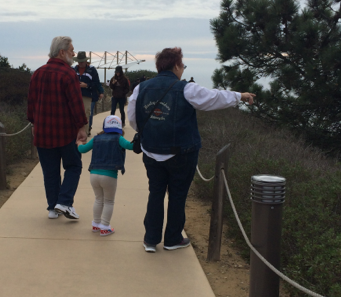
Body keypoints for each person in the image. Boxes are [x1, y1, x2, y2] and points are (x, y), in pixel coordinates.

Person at [128, 47, 256, 252]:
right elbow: (215, 97)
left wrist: (151, 134)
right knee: (178, 195)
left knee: (156, 193)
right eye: (182, 65)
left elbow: (134, 120)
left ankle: (150, 240)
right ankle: (172, 239)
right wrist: (240, 96)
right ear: (177, 65)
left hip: (151, 151)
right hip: (182, 154)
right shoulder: (187, 89)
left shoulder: (140, 89)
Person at [27, 36, 88, 220]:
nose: (74, 53)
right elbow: (76, 104)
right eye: (71, 50)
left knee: (50, 172)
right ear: (62, 52)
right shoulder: (69, 74)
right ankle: (65, 202)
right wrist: (81, 127)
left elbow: (31, 103)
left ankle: (53, 208)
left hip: (43, 132)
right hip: (65, 132)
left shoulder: (37, 73)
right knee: (74, 165)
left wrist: (33, 123)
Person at [78, 115, 133, 236]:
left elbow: (82, 149)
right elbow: (131, 146)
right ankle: (105, 226)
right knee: (109, 201)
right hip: (109, 175)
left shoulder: (96, 138)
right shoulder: (118, 138)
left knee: (98, 199)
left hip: (94, 175)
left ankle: (96, 224)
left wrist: (78, 143)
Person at [73, 51, 104, 136]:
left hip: (87, 95)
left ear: (86, 61)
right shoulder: (73, 70)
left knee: (86, 114)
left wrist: (87, 85)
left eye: (82, 61)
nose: (80, 63)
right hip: (75, 95)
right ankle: (76, 133)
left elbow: (96, 82)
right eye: (79, 61)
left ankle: (85, 133)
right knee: (75, 114)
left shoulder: (92, 70)